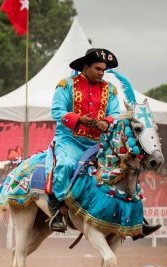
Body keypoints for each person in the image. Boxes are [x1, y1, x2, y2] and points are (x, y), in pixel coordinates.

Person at [47, 48, 159, 237]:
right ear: (86, 66)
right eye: (98, 69)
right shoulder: (66, 85)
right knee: (65, 165)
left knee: (127, 166)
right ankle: (57, 210)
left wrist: (105, 122)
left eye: (103, 70)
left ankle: (137, 218)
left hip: (98, 142)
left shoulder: (109, 90)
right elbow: (56, 111)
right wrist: (80, 119)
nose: (101, 73)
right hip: (69, 140)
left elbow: (115, 113)